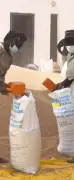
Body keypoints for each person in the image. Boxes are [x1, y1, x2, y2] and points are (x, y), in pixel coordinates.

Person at [0, 30, 27, 163]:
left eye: (20, 45)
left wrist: (4, 87)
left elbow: (1, 75)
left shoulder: (10, 57)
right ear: (9, 40)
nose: (18, 47)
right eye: (17, 43)